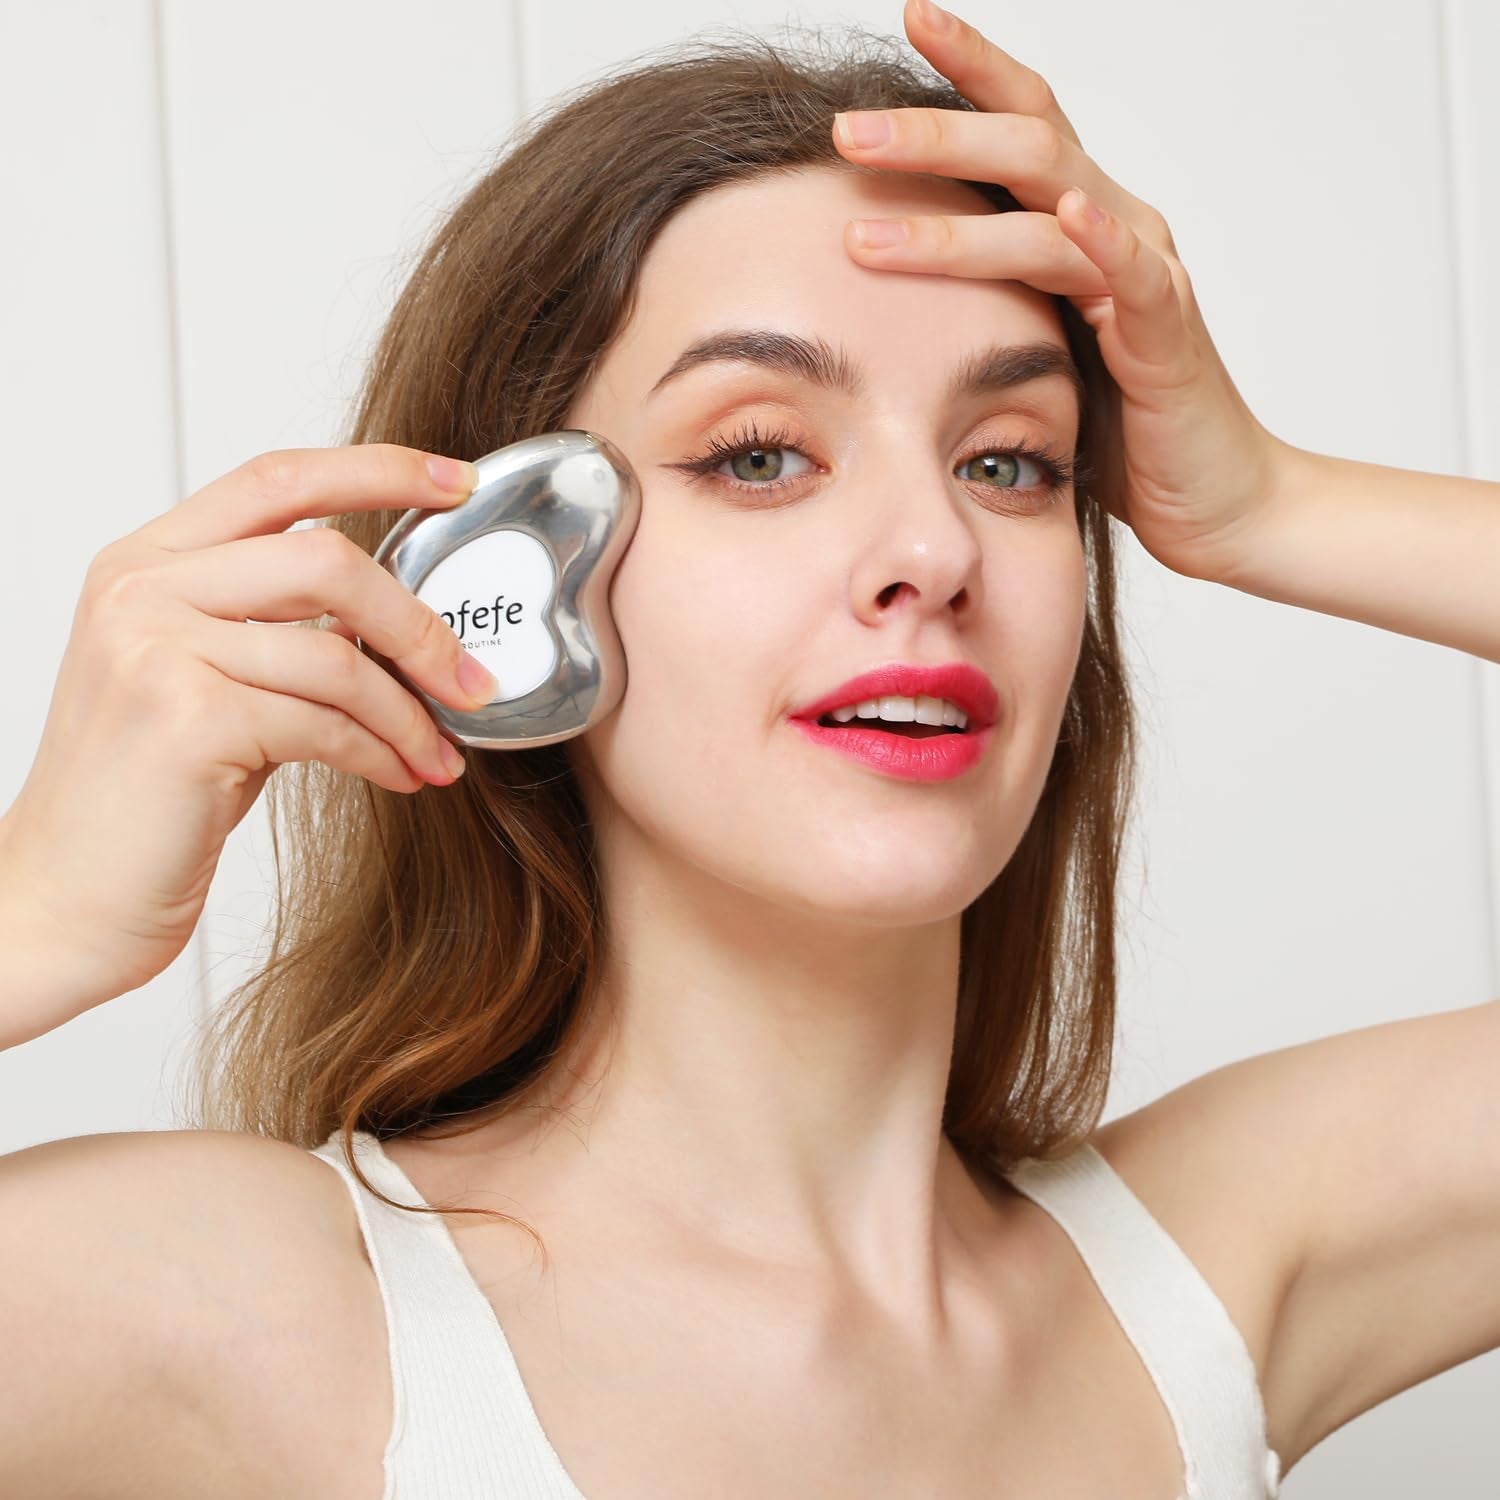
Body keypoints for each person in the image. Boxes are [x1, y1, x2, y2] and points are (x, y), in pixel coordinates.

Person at [2, 0, 1497, 1495]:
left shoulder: (1212, 1268)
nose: (934, 549)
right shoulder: (245, 1310)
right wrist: (38, 915)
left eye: (1010, 462)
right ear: (499, 578)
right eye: (762, 455)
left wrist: (1266, 506)